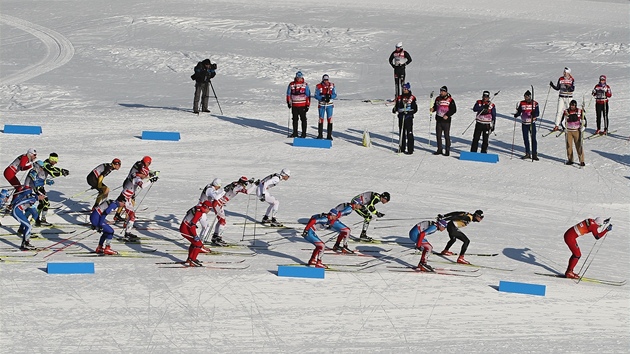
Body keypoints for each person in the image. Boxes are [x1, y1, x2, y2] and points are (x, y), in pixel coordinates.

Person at [200, 176, 253, 246]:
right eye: (245, 184)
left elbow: (240, 185)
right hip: (218, 204)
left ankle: (215, 237)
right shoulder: (239, 187)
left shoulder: (235, 183)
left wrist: (249, 182)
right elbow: (248, 192)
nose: (245, 185)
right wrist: (255, 185)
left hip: (218, 203)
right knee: (222, 221)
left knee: (221, 221)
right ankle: (218, 238)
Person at [115, 158, 158, 240]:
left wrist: (149, 177)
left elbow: (141, 177)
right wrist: (151, 180)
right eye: (144, 175)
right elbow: (142, 186)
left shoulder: (136, 175)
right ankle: (126, 232)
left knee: (131, 216)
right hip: (125, 198)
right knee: (131, 216)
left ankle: (127, 232)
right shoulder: (137, 178)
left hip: (126, 197)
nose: (144, 177)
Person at [34, 153, 69, 226]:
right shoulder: (46, 164)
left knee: (42, 203)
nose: (56, 162)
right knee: (46, 203)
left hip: (40, 186)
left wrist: (61, 171)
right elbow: (53, 172)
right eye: (55, 160)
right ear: (51, 160)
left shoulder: (47, 164)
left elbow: (53, 170)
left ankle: (36, 219)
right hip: (38, 187)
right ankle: (41, 219)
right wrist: (62, 172)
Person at [114, 156, 153, 221]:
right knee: (130, 203)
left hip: (129, 183)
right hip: (130, 185)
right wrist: (149, 177)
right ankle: (127, 219)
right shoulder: (141, 166)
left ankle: (117, 214)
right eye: (149, 163)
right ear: (146, 162)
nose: (149, 165)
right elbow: (142, 175)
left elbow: (141, 174)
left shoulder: (139, 163)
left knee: (123, 200)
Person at [179, 200, 214, 267]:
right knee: (198, 244)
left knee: (194, 243)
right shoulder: (199, 213)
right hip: (185, 229)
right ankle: (193, 260)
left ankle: (190, 259)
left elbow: (188, 214)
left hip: (185, 226)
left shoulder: (197, 207)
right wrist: (195, 235)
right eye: (209, 209)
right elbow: (192, 226)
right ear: (206, 207)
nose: (209, 211)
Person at [392, 82, 418, 154]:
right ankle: (402, 148)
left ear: (408, 89)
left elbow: (415, 108)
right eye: (403, 89)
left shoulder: (412, 97)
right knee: (401, 133)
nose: (404, 90)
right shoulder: (399, 97)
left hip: (408, 117)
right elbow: (397, 106)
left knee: (409, 133)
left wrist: (410, 112)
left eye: (406, 89)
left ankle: (410, 149)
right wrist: (394, 109)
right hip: (401, 117)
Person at [514, 90, 540, 160]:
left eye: (527, 97)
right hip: (524, 123)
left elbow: (537, 113)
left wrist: (534, 114)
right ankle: (527, 153)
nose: (525, 98)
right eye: (524, 97)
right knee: (525, 139)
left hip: (531, 124)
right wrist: (517, 114)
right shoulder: (522, 103)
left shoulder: (535, 103)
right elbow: (519, 111)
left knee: (533, 138)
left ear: (529, 97)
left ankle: (534, 154)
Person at [430, 86, 457, 156]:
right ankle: (439, 149)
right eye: (441, 91)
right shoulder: (438, 99)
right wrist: (433, 109)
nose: (441, 92)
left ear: (446, 92)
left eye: (443, 91)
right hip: (439, 120)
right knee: (438, 135)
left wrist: (447, 115)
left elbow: (453, 109)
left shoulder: (450, 100)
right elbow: (436, 106)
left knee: (446, 136)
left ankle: (447, 150)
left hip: (446, 121)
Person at [559, 100, 586, 166]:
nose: (572, 107)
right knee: (569, 146)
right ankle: (570, 159)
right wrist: (564, 128)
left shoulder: (580, 111)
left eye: (573, 106)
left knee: (579, 145)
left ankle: (581, 160)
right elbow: (562, 121)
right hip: (569, 131)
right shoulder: (566, 111)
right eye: (571, 105)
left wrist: (584, 126)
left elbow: (584, 120)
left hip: (577, 131)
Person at [286, 71, 311, 138]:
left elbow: (308, 95)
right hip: (294, 105)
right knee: (294, 119)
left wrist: (307, 105)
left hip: (302, 105)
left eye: (300, 77)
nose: (299, 79)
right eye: (298, 77)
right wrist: (288, 102)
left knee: (303, 119)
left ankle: (303, 133)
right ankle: (295, 133)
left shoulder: (305, 84)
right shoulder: (291, 84)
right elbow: (288, 94)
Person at [550, 67, 575, 131]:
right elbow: (558, 88)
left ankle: (569, 124)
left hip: (569, 97)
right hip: (561, 96)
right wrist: (552, 85)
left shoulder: (571, 79)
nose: (564, 73)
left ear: (568, 73)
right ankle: (556, 125)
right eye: (564, 72)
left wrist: (569, 87)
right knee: (559, 111)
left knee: (569, 111)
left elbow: (573, 89)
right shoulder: (560, 79)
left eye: (565, 72)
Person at [314, 74, 337, 140]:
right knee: (321, 119)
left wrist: (330, 96)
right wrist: (322, 98)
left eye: (327, 80)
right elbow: (316, 95)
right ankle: (320, 134)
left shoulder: (332, 85)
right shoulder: (318, 86)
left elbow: (335, 94)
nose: (326, 81)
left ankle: (329, 135)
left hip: (329, 105)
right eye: (324, 80)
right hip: (322, 105)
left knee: (330, 119)